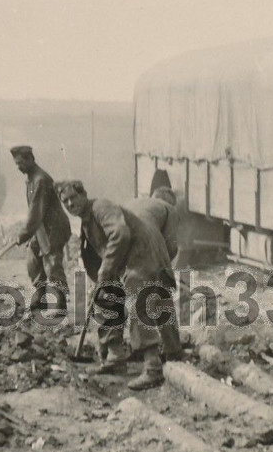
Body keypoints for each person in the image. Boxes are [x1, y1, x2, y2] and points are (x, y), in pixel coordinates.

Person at [56, 180, 173, 391]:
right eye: (65, 202)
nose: (71, 204)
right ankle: (116, 356)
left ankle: (153, 368)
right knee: (107, 294)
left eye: (74, 198)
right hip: (125, 258)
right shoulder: (86, 220)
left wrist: (106, 267)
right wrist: (104, 275)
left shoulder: (100, 207)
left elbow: (120, 233)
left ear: (84, 194)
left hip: (142, 252)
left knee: (140, 301)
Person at [11, 145, 71, 317]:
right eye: (16, 164)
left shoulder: (41, 180)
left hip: (54, 228)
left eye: (20, 163)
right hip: (41, 228)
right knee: (33, 262)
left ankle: (60, 306)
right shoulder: (31, 178)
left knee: (52, 266)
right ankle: (39, 302)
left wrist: (22, 235)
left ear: (30, 159)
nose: (18, 167)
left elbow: (36, 211)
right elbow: (34, 213)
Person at [125, 190, 182, 359]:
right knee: (158, 294)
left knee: (132, 295)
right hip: (146, 244)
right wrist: (161, 266)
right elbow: (171, 247)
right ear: (169, 201)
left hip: (121, 242)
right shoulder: (169, 209)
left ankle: (123, 350)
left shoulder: (135, 201)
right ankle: (163, 353)